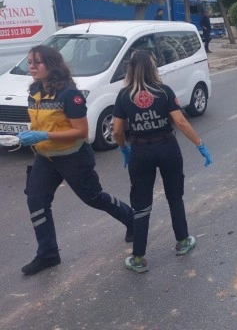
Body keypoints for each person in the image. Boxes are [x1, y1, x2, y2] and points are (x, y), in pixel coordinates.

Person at [17, 45, 134, 276]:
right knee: (36, 201)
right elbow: (41, 122)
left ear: (51, 65)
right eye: (30, 62)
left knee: (93, 197)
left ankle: (132, 218)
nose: (31, 66)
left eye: (37, 62)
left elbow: (81, 131)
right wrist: (31, 137)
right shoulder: (35, 90)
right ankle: (48, 254)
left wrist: (44, 135)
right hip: (45, 157)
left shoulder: (70, 95)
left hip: (73, 156)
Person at [112, 50, 213, 273]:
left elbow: (117, 130)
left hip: (140, 151)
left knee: (141, 203)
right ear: (153, 67)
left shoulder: (123, 96)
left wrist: (123, 148)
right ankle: (183, 242)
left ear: (130, 69)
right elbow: (181, 122)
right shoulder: (164, 92)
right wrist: (199, 145)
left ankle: (138, 257)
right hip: (167, 147)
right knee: (174, 197)